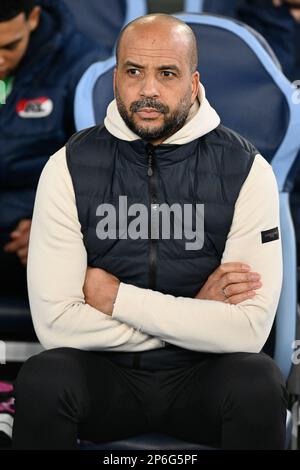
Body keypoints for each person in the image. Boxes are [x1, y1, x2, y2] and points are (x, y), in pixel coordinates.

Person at [12, 14, 287, 450]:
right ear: (116, 76)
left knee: (258, 383)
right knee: (43, 379)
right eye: (134, 71)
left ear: (194, 83)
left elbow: (247, 331)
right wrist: (195, 314)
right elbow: (56, 326)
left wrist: (117, 298)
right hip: (104, 376)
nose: (148, 91)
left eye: (167, 74)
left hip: (204, 378)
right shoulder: (68, 166)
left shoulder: (246, 169)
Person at [0, 0, 105, 293]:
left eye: (9, 46)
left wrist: (53, 225)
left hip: (36, 226)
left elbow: (101, 173)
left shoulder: (85, 67)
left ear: (32, 17)